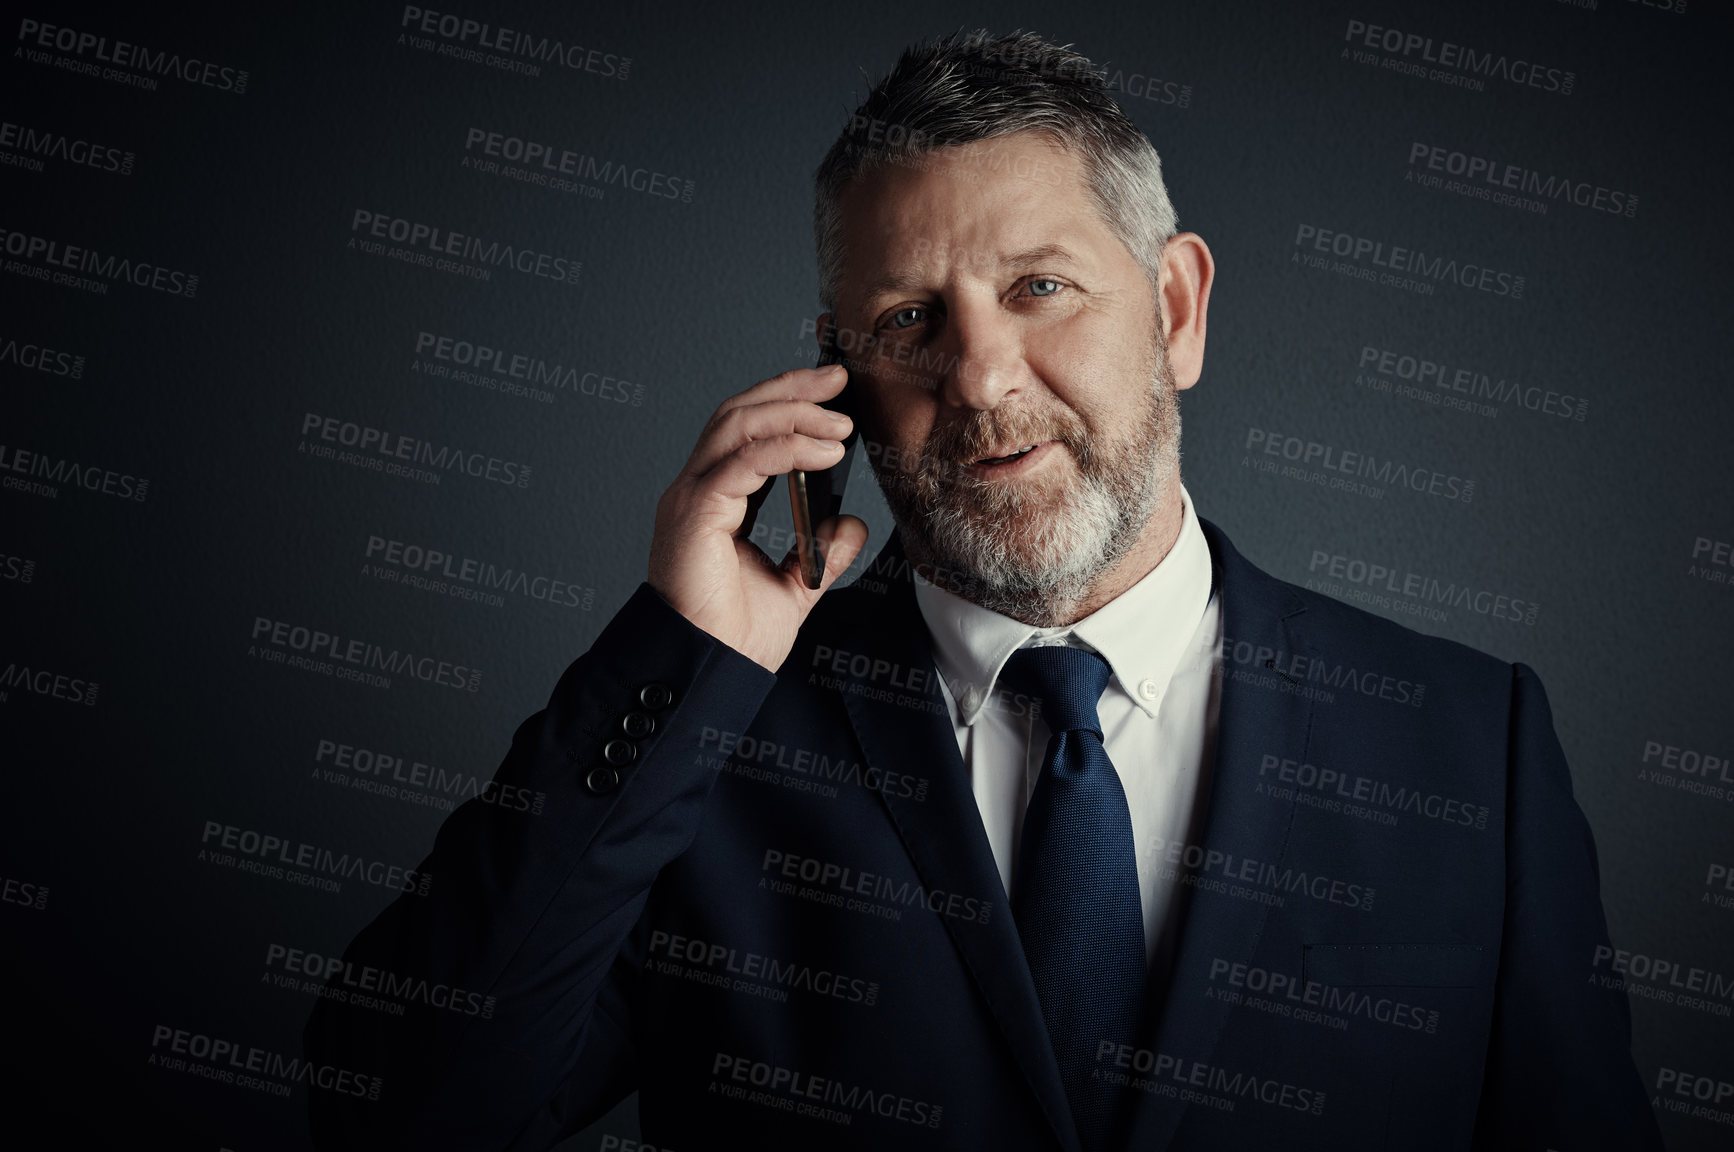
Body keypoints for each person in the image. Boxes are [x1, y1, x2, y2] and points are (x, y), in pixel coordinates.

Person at [305, 29, 1661, 1152]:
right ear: (833, 371)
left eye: (1041, 288)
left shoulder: (1460, 742)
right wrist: (677, 656)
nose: (982, 378)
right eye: (909, 322)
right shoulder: (698, 742)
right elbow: (394, 1111)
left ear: (1174, 310)